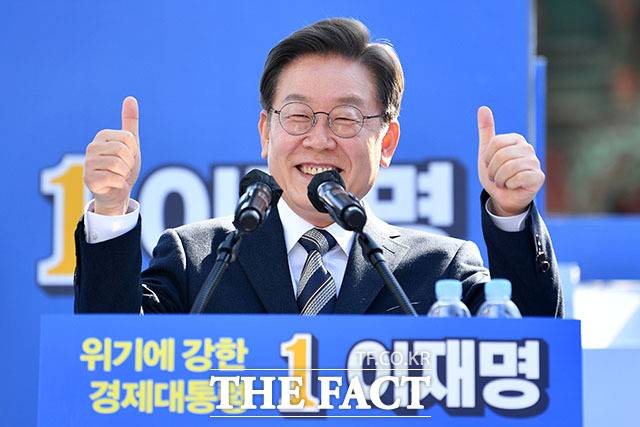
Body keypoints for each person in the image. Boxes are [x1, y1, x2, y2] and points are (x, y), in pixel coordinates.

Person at [74, 18, 562, 316]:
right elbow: (112, 359)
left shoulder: (440, 271)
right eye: (298, 115)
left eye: (346, 119)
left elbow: (533, 358)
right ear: (266, 132)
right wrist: (111, 210)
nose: (320, 139)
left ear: (387, 141)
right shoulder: (197, 261)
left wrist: (511, 213)